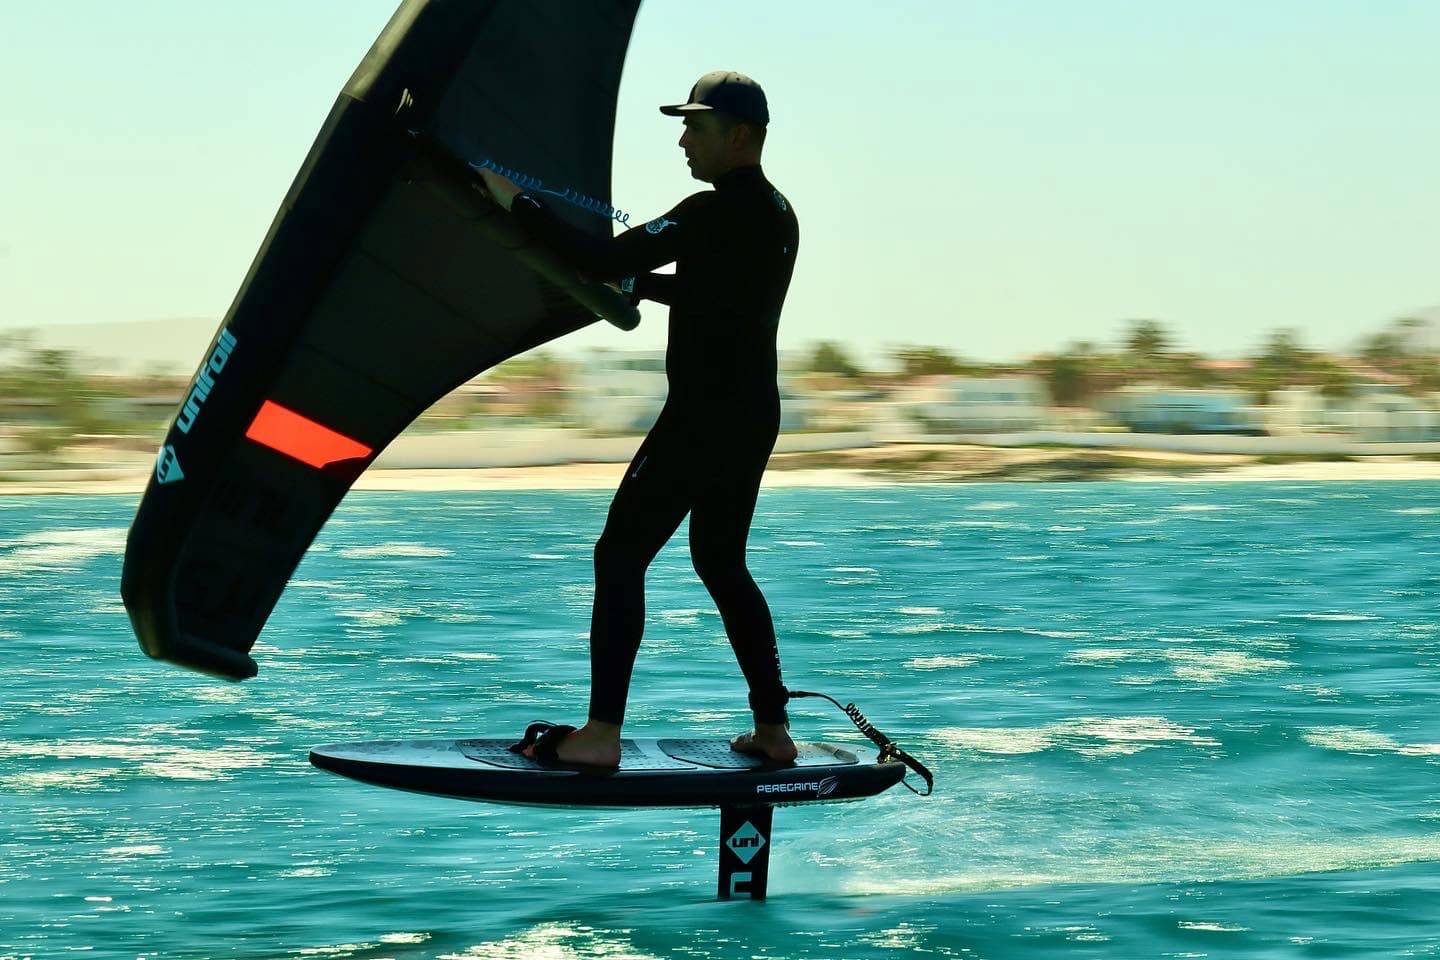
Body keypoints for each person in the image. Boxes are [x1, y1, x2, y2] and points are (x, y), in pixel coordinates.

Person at [479, 71, 800, 768]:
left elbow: (600, 252)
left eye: (698, 128)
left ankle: (600, 735)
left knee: (619, 556)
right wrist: (636, 285)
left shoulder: (710, 211)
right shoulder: (777, 215)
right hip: (752, 414)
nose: (684, 141)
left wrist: (516, 201)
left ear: (738, 135)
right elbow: (709, 290)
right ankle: (773, 729)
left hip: (702, 416)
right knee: (721, 562)